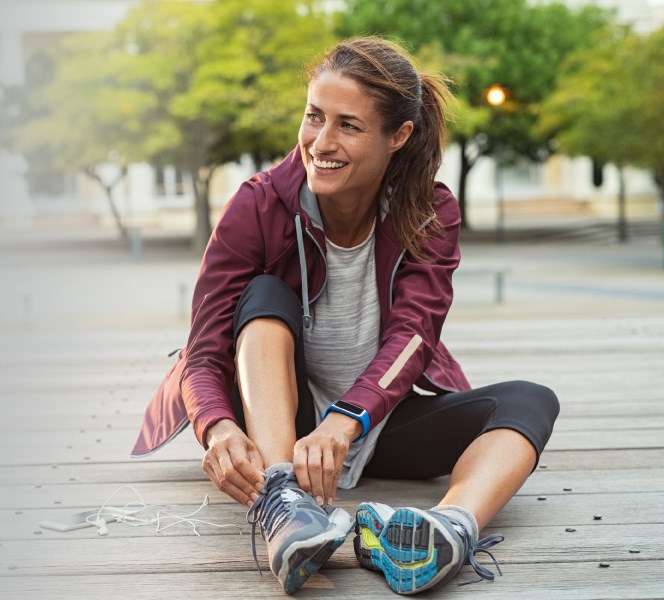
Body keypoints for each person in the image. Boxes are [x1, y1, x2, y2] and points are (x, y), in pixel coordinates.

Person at [130, 37, 558, 595]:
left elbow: (414, 335)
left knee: (530, 400)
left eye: (348, 126)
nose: (320, 143)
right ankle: (285, 505)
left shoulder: (430, 211)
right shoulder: (258, 205)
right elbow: (204, 348)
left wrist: (347, 419)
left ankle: (450, 530)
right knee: (262, 296)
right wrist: (218, 426)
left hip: (372, 421)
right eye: (314, 117)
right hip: (280, 427)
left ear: (397, 136)